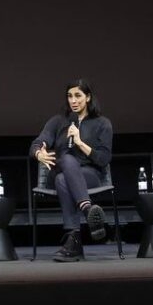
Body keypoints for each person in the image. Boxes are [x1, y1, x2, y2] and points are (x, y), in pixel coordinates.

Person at [30, 78, 112, 262]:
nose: (73, 101)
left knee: (62, 180)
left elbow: (104, 158)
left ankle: (73, 240)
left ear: (88, 97)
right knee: (66, 161)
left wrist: (80, 143)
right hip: (60, 170)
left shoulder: (102, 123)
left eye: (78, 96)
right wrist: (39, 154)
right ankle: (87, 209)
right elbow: (37, 143)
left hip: (90, 175)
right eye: (69, 96)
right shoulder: (58, 121)